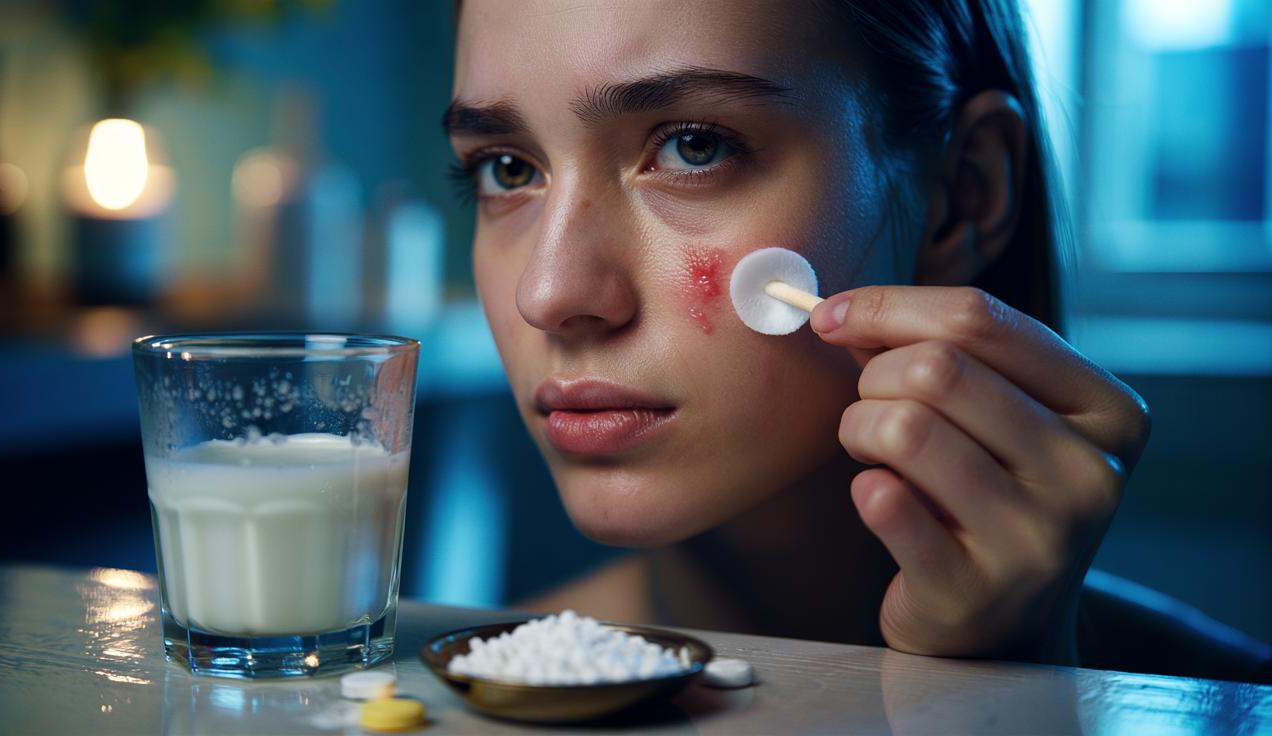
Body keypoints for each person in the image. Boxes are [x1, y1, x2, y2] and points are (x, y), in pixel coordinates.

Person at [442, 0, 1270, 681]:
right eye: (507, 169)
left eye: (694, 146)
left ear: (964, 194)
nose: (548, 294)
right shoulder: (450, 695)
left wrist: (1006, 690)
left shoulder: (1230, 701)